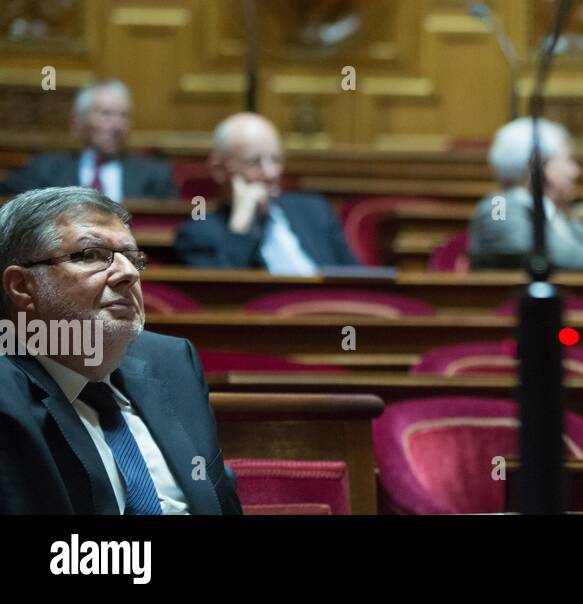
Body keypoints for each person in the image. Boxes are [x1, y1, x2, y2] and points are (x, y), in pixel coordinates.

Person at [0, 187, 241, 513]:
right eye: (91, 255)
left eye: (133, 258)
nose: (128, 273)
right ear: (21, 286)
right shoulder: (7, 392)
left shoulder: (171, 363)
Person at [173, 112, 357, 271]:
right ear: (219, 169)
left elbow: (357, 280)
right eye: (254, 162)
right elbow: (221, 296)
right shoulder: (198, 235)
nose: (270, 173)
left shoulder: (314, 210)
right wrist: (241, 225)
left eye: (276, 160)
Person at [469, 117, 583, 272]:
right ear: (540, 166)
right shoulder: (498, 205)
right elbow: (535, 254)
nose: (575, 171)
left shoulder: (551, 209)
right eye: (568, 160)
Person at [0, 81, 175, 202]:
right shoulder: (45, 169)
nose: (117, 125)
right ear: (77, 122)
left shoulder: (155, 174)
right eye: (105, 114)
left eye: (124, 116)